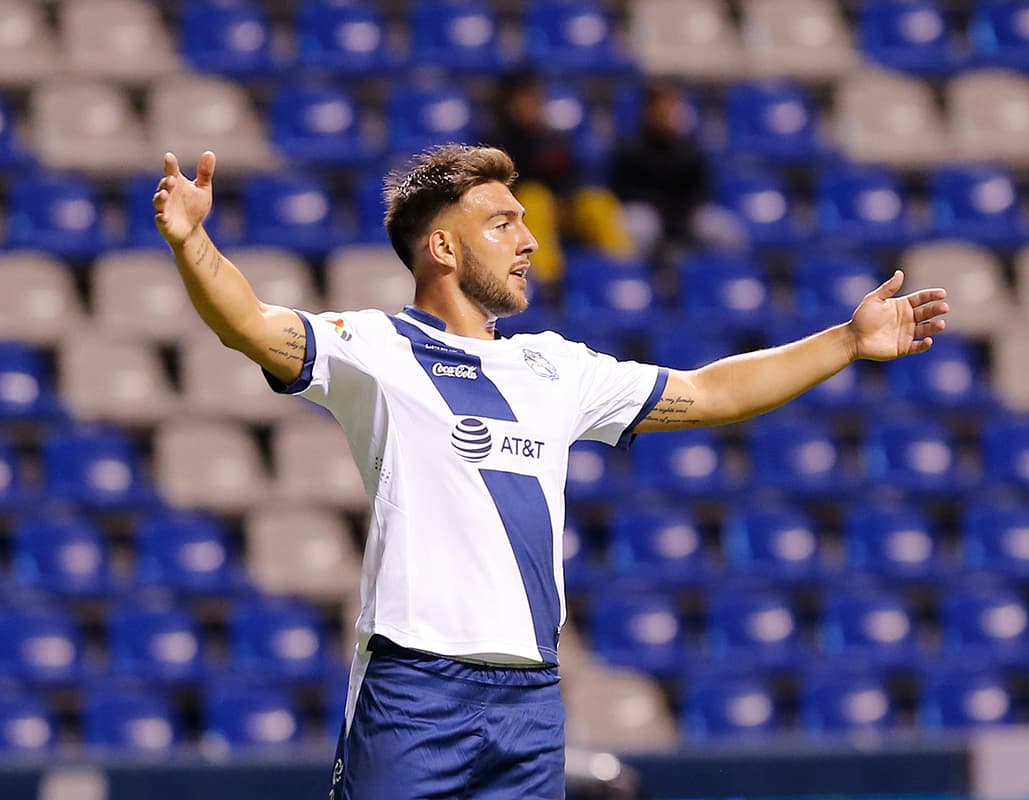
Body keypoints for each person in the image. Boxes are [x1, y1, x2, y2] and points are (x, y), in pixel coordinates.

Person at [152, 144, 949, 800]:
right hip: (414, 690)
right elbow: (250, 324)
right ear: (443, 248)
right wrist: (192, 242)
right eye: (503, 223)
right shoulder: (375, 349)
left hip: (529, 700)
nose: (530, 241)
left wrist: (845, 342)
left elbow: (711, 392)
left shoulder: (556, 367)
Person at [486, 71, 632, 283]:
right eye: (523, 99)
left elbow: (571, 175)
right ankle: (547, 281)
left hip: (563, 206)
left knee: (597, 202)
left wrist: (564, 199)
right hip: (522, 209)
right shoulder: (494, 140)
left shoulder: (552, 137)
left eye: (534, 98)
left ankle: (625, 274)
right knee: (535, 199)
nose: (530, 105)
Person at [609, 82, 745, 257]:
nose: (666, 114)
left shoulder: (691, 149)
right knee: (635, 226)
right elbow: (621, 192)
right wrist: (658, 205)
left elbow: (703, 191)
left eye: (672, 108)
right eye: (660, 109)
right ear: (647, 112)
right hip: (646, 213)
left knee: (721, 228)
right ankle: (632, 272)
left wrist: (683, 209)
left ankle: (722, 272)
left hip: (687, 214)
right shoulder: (629, 149)